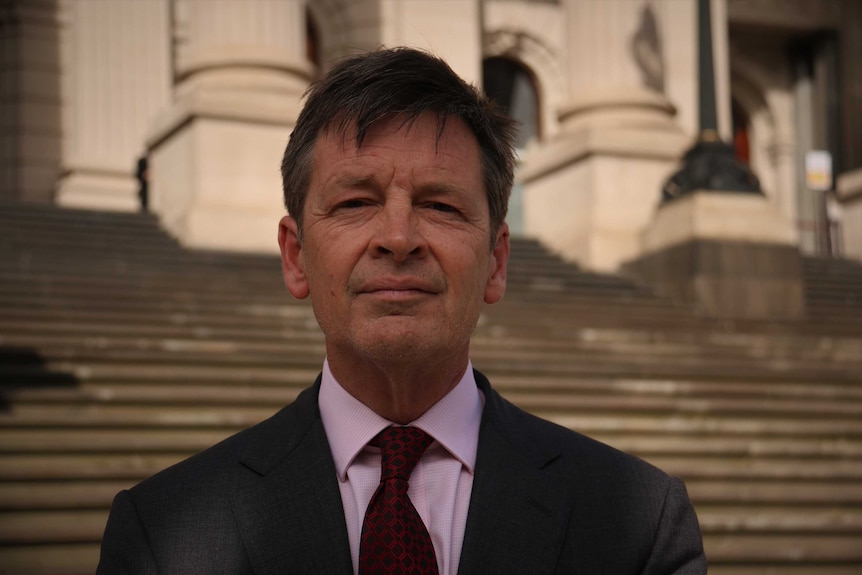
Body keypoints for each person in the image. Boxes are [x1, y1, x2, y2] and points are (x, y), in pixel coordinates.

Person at [97, 47, 706, 575]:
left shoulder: (639, 524)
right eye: (356, 202)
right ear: (296, 257)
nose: (398, 237)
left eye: (440, 205)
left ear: (495, 262)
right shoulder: (162, 533)